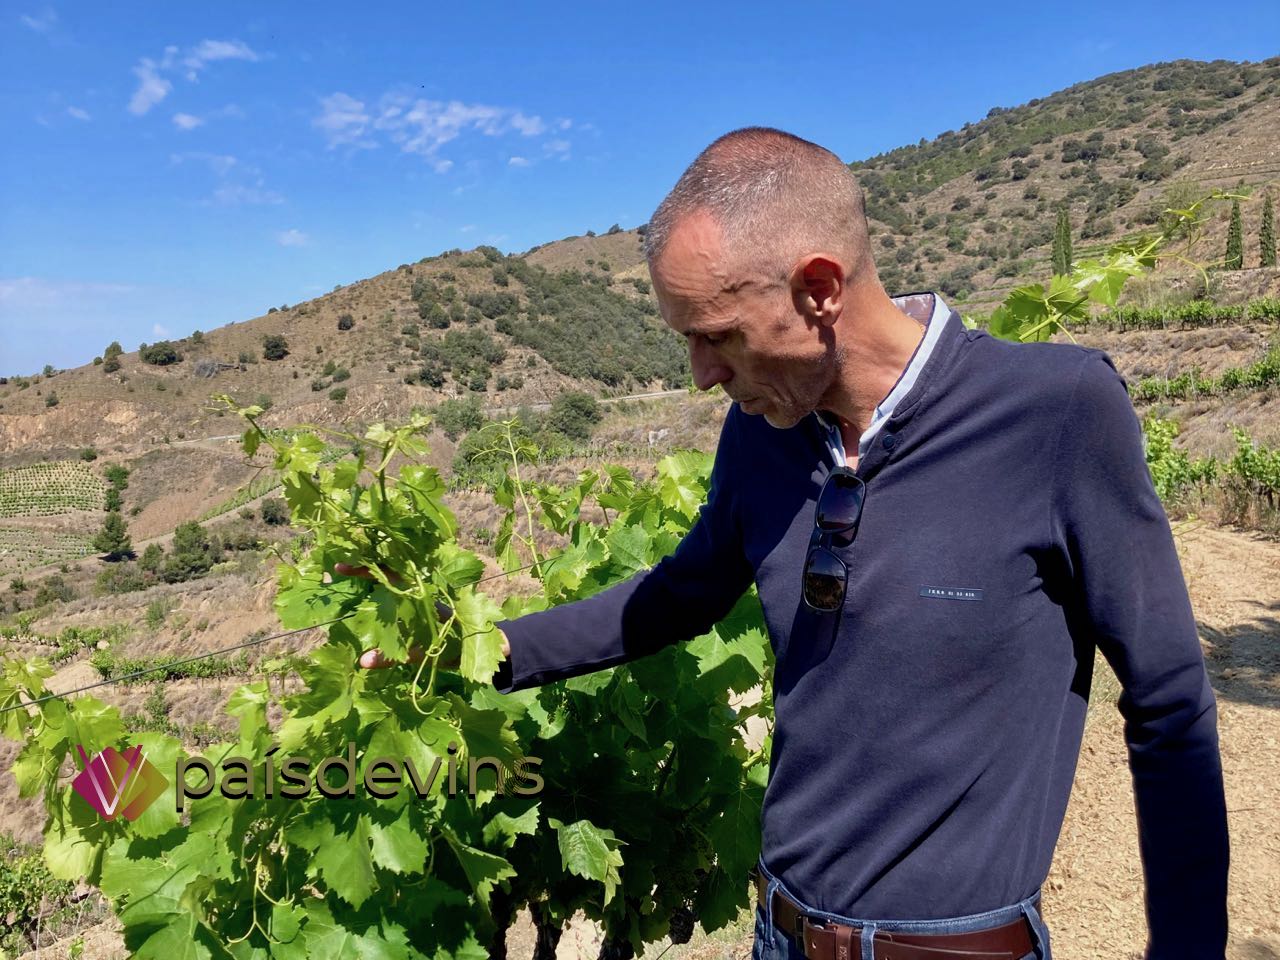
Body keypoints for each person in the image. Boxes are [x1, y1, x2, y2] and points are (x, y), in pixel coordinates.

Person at [345, 127, 1229, 960]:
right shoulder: (764, 434)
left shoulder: (1057, 413)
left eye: (716, 336)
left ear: (820, 289)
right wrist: (473, 646)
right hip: (781, 931)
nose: (702, 375)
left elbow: (1168, 702)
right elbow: (678, 595)